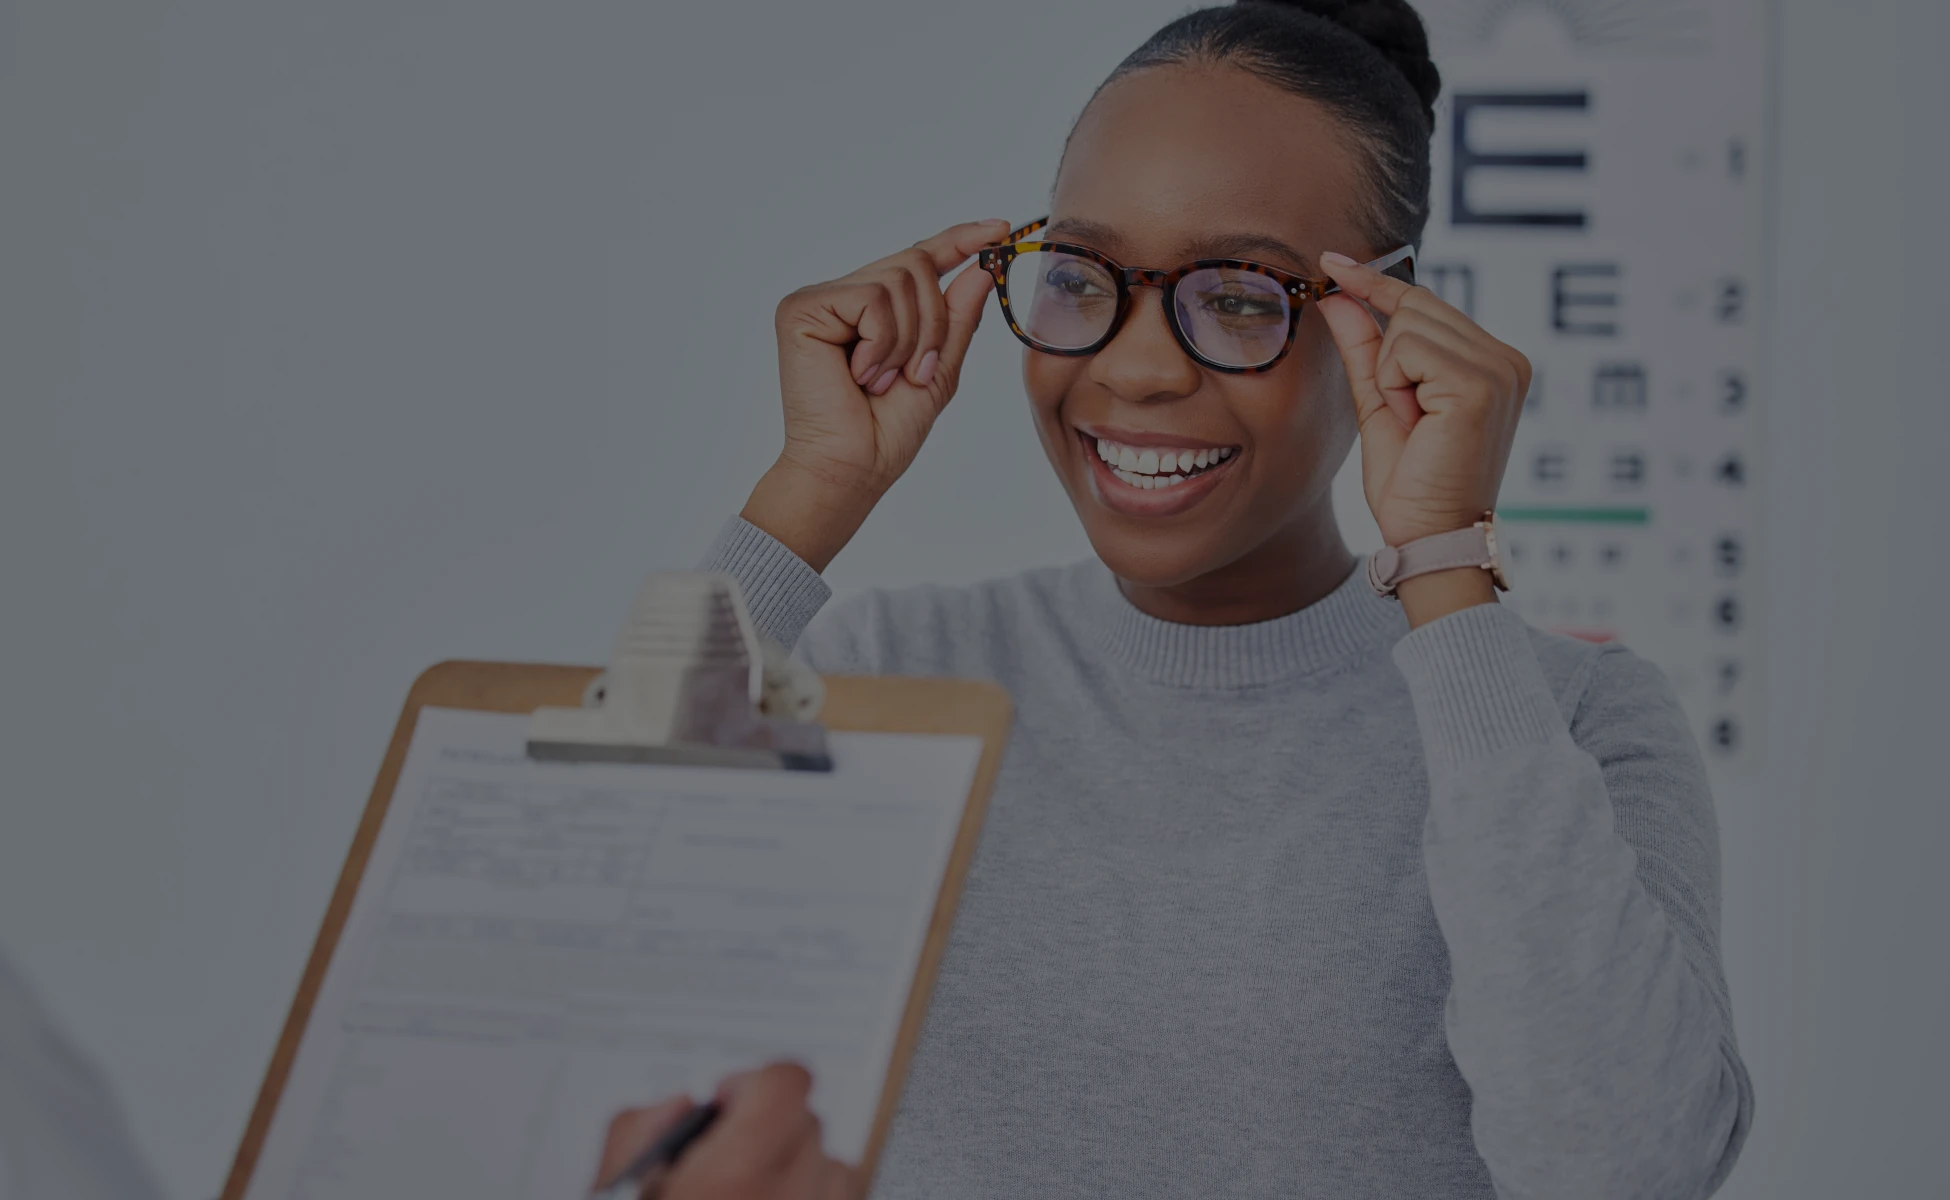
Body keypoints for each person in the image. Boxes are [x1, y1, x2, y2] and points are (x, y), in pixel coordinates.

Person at [685, 1, 1755, 1197]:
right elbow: (561, 932)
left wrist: (1449, 569)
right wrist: (809, 490)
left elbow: (1626, 1167)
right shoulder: (893, 672)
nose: (1136, 367)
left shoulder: (1569, 724)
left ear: (1391, 321)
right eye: (1083, 276)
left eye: (1243, 297)